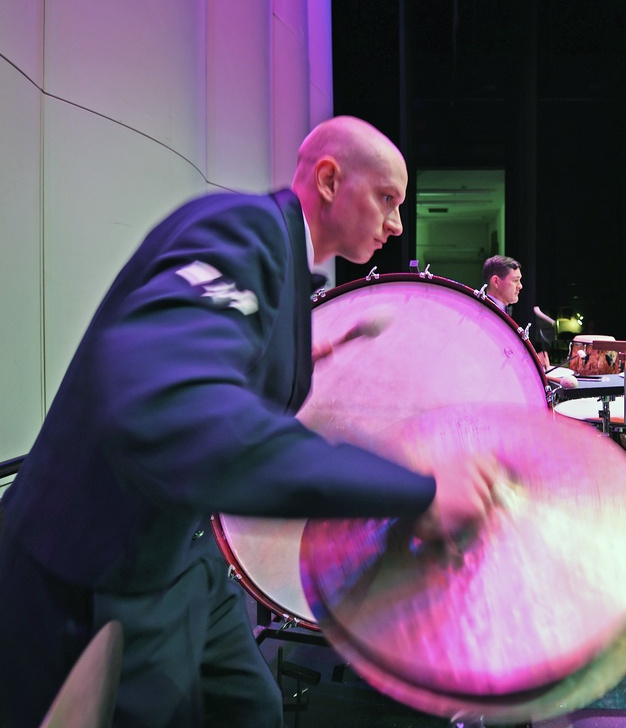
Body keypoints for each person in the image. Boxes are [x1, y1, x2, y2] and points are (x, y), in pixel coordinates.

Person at [0, 116, 498, 728]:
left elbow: (213, 367)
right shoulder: (241, 230)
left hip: (188, 556)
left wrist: (282, 359)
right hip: (100, 566)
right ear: (329, 180)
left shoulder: (285, 269)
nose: (396, 223)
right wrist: (416, 487)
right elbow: (177, 413)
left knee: (253, 708)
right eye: (386, 198)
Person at [482, 255, 551, 368]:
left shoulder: (501, 312)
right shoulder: (484, 316)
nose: (520, 286)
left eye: (519, 280)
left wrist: (532, 362)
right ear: (496, 281)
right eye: (515, 281)